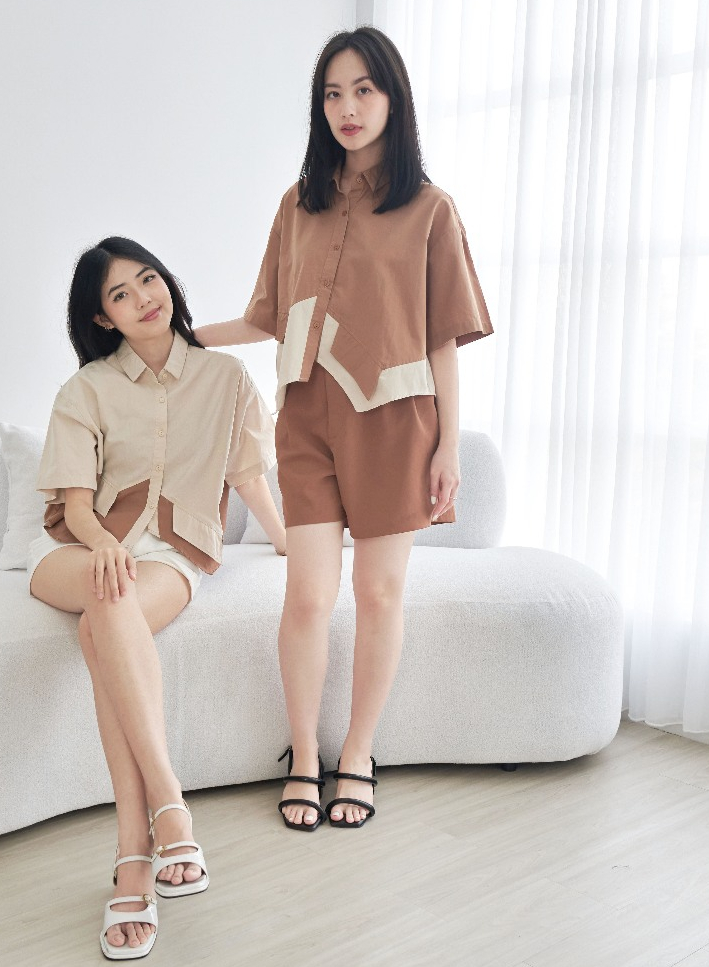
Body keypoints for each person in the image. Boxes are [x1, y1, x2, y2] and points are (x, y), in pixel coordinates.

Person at [197, 26, 493, 832]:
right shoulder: (297, 205)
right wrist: (184, 338)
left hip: (396, 421)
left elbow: (442, 337)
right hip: (305, 417)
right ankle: (302, 753)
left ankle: (357, 752)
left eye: (363, 89)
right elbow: (265, 316)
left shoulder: (430, 209)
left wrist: (447, 444)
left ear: (393, 98)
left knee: (378, 591)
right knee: (306, 594)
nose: (347, 107)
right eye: (332, 93)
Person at [29, 236, 284, 959]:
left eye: (148, 279)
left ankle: (132, 857)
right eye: (120, 293)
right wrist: (102, 546)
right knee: (107, 593)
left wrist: (284, 540)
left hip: (172, 555)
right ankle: (171, 806)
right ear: (101, 317)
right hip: (80, 551)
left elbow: (247, 472)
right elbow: (78, 506)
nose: (143, 297)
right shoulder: (86, 389)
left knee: (103, 622)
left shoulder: (226, 376)